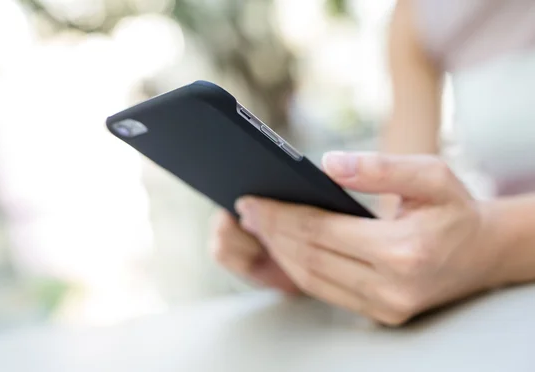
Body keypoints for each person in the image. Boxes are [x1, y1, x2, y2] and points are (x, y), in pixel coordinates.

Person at [209, 0, 535, 326]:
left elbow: (476, 246)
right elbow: (402, 211)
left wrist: (490, 245)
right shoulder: (417, 15)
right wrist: (331, 260)